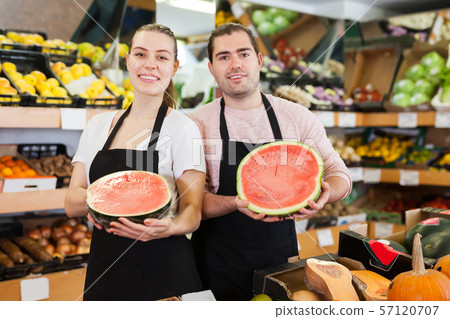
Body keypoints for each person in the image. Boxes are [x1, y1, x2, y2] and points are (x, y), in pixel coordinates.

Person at [190, 23, 352, 301]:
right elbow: (193, 202)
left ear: (259, 60)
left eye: (243, 54)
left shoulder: (297, 117)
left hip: (280, 264)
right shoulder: (196, 124)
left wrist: (326, 192)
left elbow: (341, 175)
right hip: (215, 266)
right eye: (224, 57)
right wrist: (234, 202)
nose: (235, 64)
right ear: (211, 68)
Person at [65, 24, 206, 301]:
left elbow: (193, 210)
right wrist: (111, 199)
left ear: (174, 67)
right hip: (105, 271)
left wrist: (172, 227)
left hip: (164, 275)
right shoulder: (98, 126)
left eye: (162, 57)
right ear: (128, 59)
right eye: (141, 54)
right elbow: (71, 202)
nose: (150, 65)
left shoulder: (183, 128)